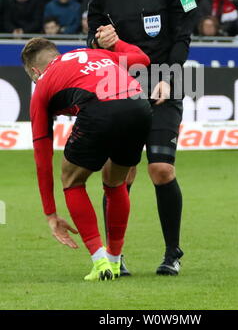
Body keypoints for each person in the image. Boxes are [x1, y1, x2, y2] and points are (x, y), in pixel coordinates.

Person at [87, 0, 199, 276]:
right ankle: (114, 258)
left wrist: (168, 77)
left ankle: (172, 253)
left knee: (161, 170)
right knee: (120, 174)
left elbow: (184, 34)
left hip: (166, 83)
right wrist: (100, 39)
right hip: (121, 88)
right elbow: (91, 38)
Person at [21, 37, 152, 281]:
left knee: (72, 180)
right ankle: (114, 261)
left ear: (35, 71)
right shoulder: (94, 54)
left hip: (99, 109)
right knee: (115, 183)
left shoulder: (42, 87)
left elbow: (42, 155)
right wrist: (117, 42)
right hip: (139, 106)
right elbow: (143, 59)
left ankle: (100, 261)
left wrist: (50, 213)